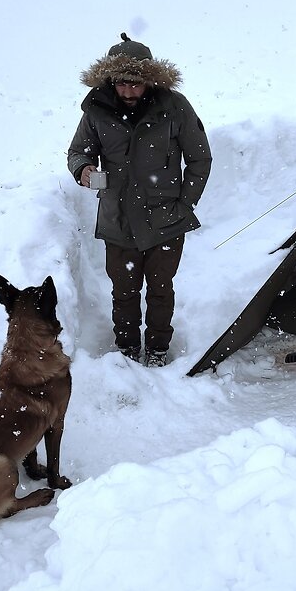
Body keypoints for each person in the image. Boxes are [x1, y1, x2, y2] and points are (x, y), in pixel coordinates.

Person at [67, 34, 212, 367]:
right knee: (124, 292)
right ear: (110, 80)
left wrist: (184, 204)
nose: (128, 91)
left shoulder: (175, 108)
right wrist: (84, 169)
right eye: (121, 84)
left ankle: (159, 350)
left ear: (150, 80)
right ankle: (128, 353)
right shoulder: (96, 110)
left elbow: (200, 158)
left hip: (165, 220)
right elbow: (78, 151)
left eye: (136, 84)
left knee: (161, 290)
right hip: (118, 220)